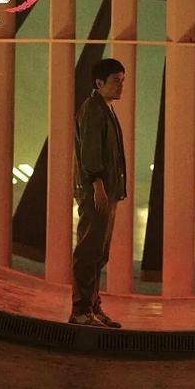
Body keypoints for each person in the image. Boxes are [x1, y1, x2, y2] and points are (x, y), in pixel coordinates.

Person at [69, 58, 127, 328]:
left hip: (107, 191)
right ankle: (81, 311)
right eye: (116, 81)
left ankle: (92, 306)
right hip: (97, 193)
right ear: (99, 82)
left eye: (122, 81)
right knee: (89, 250)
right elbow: (90, 153)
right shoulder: (93, 110)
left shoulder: (106, 108)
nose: (121, 86)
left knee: (99, 252)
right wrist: (98, 187)